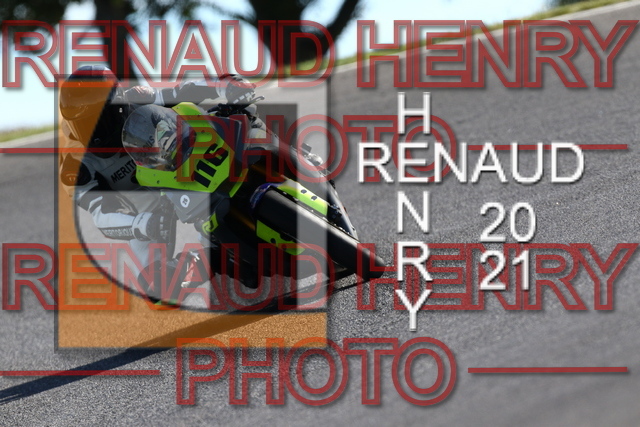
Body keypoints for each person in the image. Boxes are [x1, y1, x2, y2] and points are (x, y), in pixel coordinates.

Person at [58, 65, 256, 302]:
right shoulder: (74, 165)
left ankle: (284, 163)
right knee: (158, 288)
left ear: (118, 105)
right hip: (143, 205)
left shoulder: (135, 98)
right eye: (83, 124)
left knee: (241, 117)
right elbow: (101, 213)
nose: (94, 134)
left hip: (177, 165)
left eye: (100, 120)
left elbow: (180, 92)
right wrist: (143, 224)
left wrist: (225, 83)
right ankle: (215, 257)